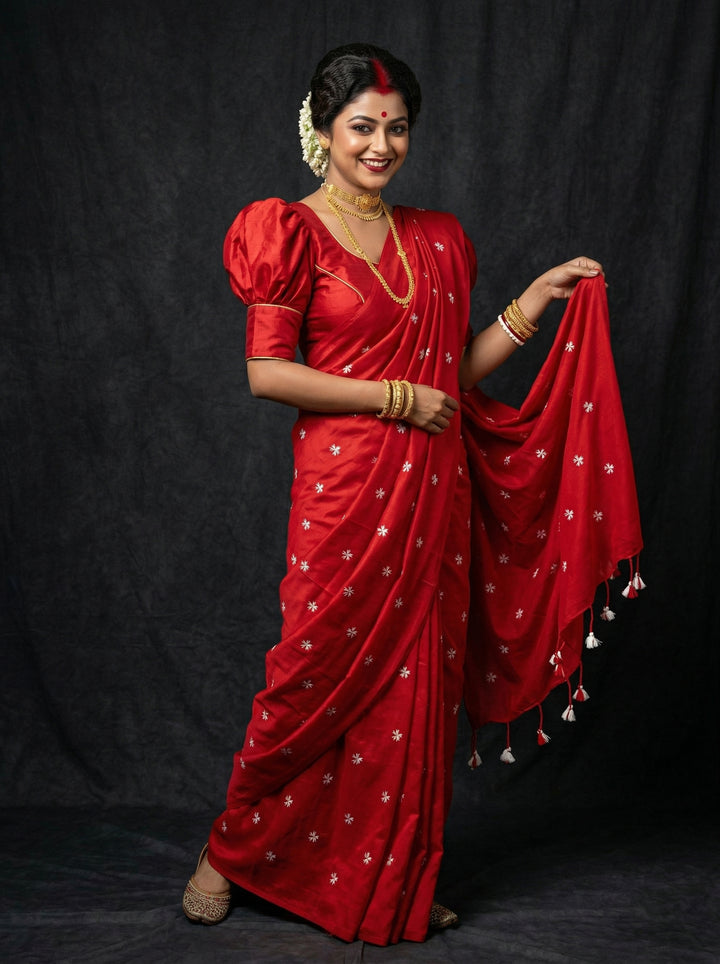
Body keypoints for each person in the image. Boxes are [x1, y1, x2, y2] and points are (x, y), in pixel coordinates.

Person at [181, 42, 608, 946]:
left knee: (412, 692)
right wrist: (394, 399)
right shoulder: (285, 233)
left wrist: (531, 302)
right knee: (308, 678)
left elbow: (451, 373)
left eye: (397, 127)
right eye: (362, 127)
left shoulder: (439, 238)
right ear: (322, 130)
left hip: (429, 499)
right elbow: (267, 374)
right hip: (344, 494)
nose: (381, 144)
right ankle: (226, 853)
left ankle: (393, 876)